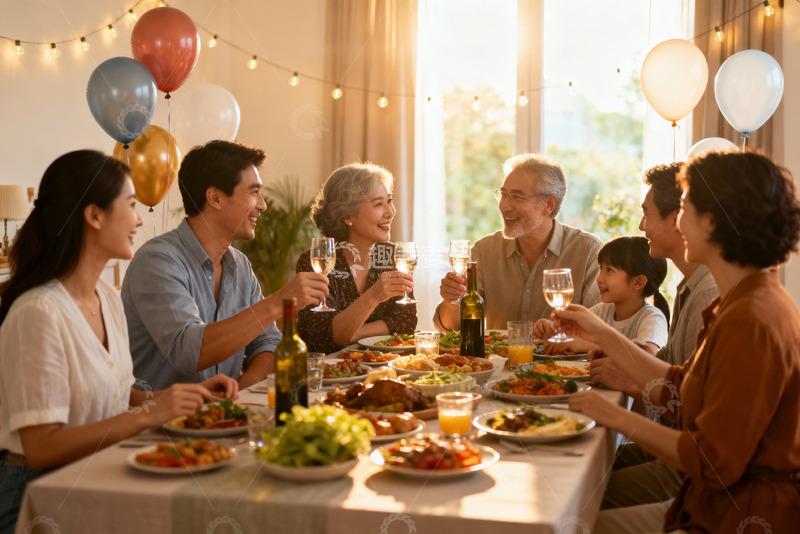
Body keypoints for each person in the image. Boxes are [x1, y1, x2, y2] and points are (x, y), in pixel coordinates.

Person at [554, 149, 800, 533]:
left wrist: (615, 415)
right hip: (712, 499)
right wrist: (600, 332)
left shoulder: (750, 319)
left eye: (684, 207)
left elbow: (711, 461)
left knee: (573, 524)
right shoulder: (741, 298)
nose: (677, 221)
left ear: (713, 221)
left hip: (736, 515)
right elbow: (683, 389)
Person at [0, 151, 237, 534]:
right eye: (130, 205)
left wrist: (179, 397)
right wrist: (149, 416)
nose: (140, 219)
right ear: (93, 215)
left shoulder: (107, 298)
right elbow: (41, 448)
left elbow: (119, 395)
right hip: (39, 497)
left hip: (99, 476)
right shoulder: (38, 312)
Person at [122, 141, 329, 390]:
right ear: (216, 198)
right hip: (161, 425)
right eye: (254, 192)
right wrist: (279, 302)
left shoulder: (240, 265)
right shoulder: (157, 262)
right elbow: (189, 353)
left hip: (221, 422)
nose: (263, 205)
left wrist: (235, 395)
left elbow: (269, 344)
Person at [588, 164, 718, 510]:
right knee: (575, 465)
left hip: (688, 468)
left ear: (678, 218)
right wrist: (621, 366)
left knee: (577, 496)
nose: (642, 225)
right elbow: (674, 370)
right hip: (677, 446)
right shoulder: (690, 286)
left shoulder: (710, 294)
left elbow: (689, 404)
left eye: (646, 214)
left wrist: (627, 387)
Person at [433, 153, 602, 331]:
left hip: (564, 359)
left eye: (517, 196)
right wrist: (452, 301)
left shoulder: (589, 252)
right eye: (504, 195)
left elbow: (599, 329)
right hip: (499, 359)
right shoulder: (484, 251)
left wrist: (556, 331)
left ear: (549, 204)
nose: (504, 206)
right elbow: (452, 329)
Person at [296, 163, 416, 353]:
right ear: (347, 216)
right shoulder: (317, 261)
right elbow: (325, 339)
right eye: (378, 204)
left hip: (380, 367)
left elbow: (405, 321)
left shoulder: (392, 256)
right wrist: (375, 294)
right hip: (329, 375)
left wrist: (356, 333)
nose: (390, 212)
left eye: (389, 200)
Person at [534, 235, 669, 355]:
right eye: (601, 269)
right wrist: (552, 331)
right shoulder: (602, 311)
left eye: (609, 270)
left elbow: (648, 353)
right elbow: (570, 337)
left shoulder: (652, 318)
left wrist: (589, 345)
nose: (599, 278)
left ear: (638, 282)